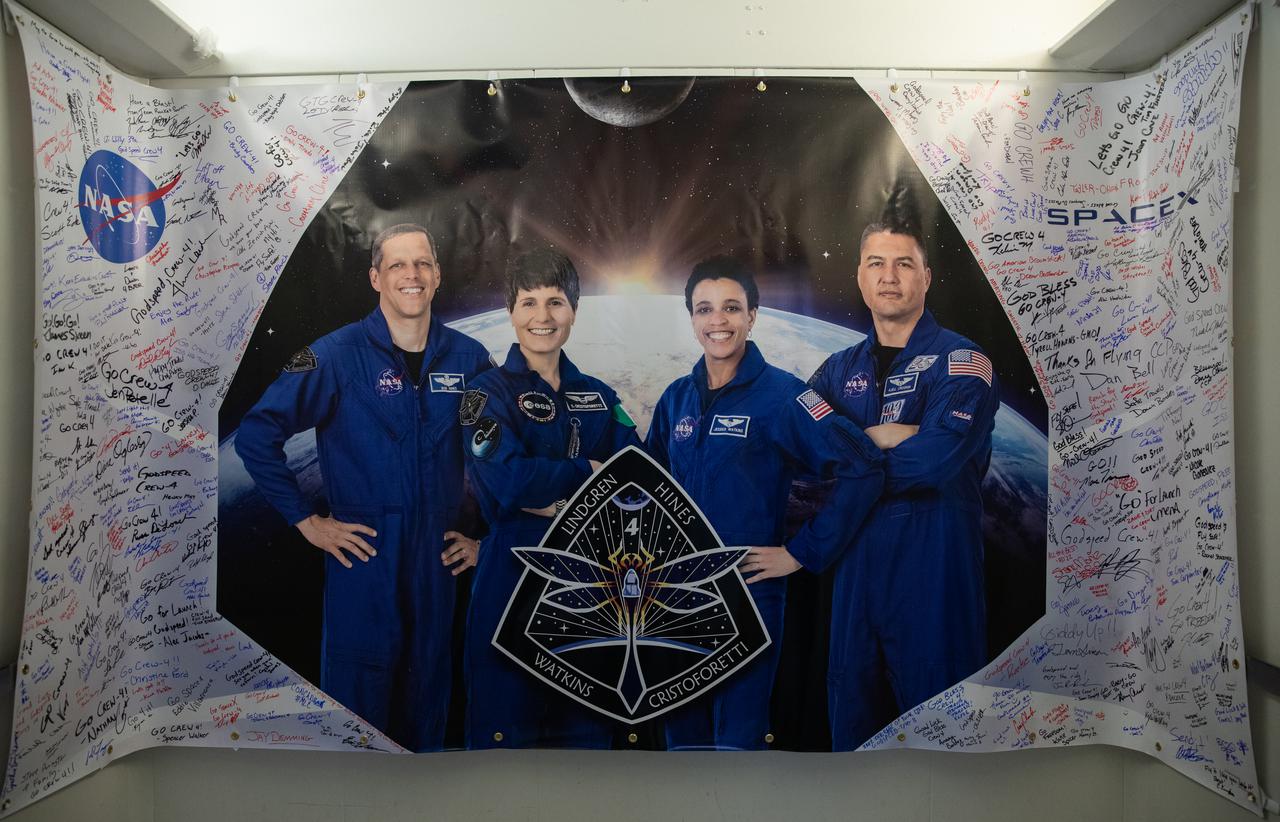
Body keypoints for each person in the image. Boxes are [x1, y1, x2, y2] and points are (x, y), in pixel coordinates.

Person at [235, 223, 491, 752]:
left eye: (422, 263)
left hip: (436, 569)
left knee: (428, 720)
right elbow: (257, 435)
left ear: (438, 276)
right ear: (376, 278)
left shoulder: (470, 360)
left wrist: (486, 539)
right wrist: (307, 521)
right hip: (364, 564)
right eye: (398, 265)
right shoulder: (334, 356)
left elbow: (500, 458)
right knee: (356, 725)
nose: (411, 275)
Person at [645, 256, 884, 750]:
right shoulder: (675, 400)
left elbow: (862, 468)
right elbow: (648, 491)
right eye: (705, 309)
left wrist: (802, 552)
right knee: (680, 748)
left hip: (746, 599)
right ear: (691, 317)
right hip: (672, 599)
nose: (718, 321)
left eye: (731, 308)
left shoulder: (784, 397)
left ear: (752, 315)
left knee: (737, 747)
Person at [807, 217, 999, 751]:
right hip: (854, 583)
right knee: (853, 747)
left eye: (904, 263)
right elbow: (805, 456)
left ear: (927, 278)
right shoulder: (832, 371)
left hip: (934, 580)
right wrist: (889, 435)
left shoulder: (966, 362)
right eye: (876, 263)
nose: (889, 276)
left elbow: (934, 462)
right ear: (861, 278)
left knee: (945, 753)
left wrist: (852, 453)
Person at [461, 248, 641, 749]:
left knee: (587, 739)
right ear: (511, 312)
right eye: (529, 302)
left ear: (575, 312)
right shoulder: (485, 394)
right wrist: (587, 470)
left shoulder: (600, 396)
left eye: (556, 302)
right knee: (504, 737)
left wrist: (553, 498)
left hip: (593, 584)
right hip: (511, 580)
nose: (543, 317)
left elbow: (638, 481)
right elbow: (510, 484)